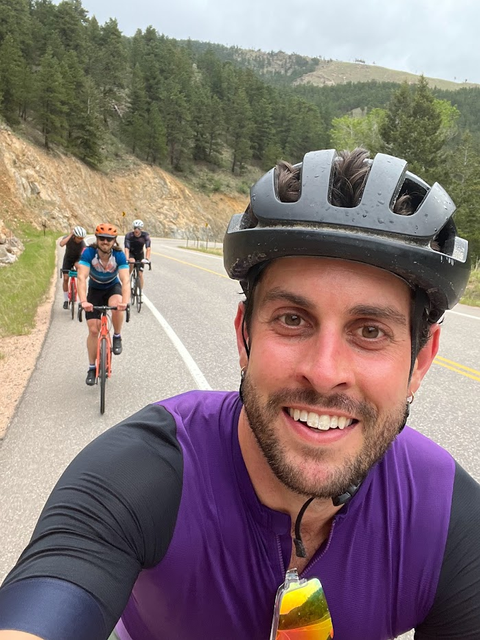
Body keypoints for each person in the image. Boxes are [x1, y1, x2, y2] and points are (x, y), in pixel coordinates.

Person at [0, 149, 479, 640]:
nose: (323, 372)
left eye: (371, 331)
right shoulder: (143, 473)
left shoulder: (446, 519)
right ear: (244, 336)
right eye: (292, 320)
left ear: (420, 360)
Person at [76, 223, 130, 386]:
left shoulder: (119, 256)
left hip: (112, 287)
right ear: (97, 239)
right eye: (102, 239)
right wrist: (83, 300)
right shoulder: (89, 253)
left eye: (109, 239)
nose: (105, 242)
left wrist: (125, 302)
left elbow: (126, 280)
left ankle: (117, 335)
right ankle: (92, 368)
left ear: (114, 241)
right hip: (94, 290)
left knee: (117, 304)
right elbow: (81, 278)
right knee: (93, 329)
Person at [59, 226, 87, 309]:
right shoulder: (69, 238)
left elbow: (85, 254)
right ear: (74, 236)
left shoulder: (82, 244)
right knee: (66, 278)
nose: (80, 240)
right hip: (68, 259)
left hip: (77, 259)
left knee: (79, 270)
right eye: (78, 238)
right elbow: (61, 244)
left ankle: (80, 295)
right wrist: (70, 234)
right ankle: (65, 300)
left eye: (82, 238)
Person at [124, 219, 151, 291]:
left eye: (138, 228)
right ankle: (126, 280)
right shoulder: (129, 236)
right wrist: (127, 259)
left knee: (140, 274)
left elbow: (148, 248)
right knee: (132, 262)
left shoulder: (145, 235)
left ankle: (140, 292)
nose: (136, 230)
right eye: (135, 228)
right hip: (131, 254)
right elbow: (127, 249)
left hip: (140, 255)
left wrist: (147, 259)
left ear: (141, 229)